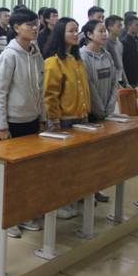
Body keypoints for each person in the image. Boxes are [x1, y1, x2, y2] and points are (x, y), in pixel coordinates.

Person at [0, 9, 45, 235]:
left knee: (29, 172)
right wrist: (2, 126)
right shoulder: (9, 55)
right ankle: (9, 219)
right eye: (29, 25)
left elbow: (41, 90)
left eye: (35, 24)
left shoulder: (36, 54)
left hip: (33, 120)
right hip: (13, 122)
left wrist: (42, 117)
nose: (34, 28)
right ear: (16, 28)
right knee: (12, 175)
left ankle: (24, 214)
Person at [43, 17, 90, 219]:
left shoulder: (77, 60)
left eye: (76, 30)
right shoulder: (53, 62)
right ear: (60, 34)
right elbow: (49, 95)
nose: (75, 34)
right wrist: (54, 120)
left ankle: (72, 197)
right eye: (71, 30)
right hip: (63, 120)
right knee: (61, 167)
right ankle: (58, 204)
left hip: (81, 118)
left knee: (76, 165)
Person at [80, 21, 117, 121]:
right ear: (89, 34)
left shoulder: (107, 55)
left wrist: (110, 108)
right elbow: (89, 85)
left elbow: (114, 82)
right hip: (91, 113)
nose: (105, 34)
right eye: (101, 31)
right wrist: (99, 110)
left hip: (107, 112)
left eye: (105, 31)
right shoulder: (82, 56)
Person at [104, 15, 128, 87]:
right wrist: (116, 84)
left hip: (119, 80)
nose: (121, 28)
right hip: (109, 82)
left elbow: (121, 65)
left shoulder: (120, 44)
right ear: (110, 27)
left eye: (121, 26)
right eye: (119, 26)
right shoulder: (105, 43)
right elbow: (107, 67)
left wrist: (126, 82)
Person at [122, 14, 138, 87]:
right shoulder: (124, 43)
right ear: (129, 26)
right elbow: (122, 65)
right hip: (128, 81)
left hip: (137, 79)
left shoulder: (137, 40)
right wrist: (125, 82)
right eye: (136, 25)